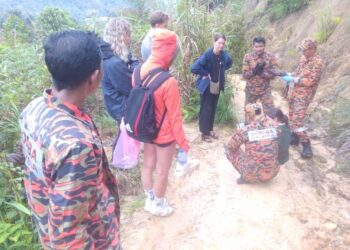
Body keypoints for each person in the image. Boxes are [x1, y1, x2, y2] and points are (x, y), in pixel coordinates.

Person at [19, 31, 121, 249]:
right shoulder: (76, 146)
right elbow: (69, 237)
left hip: (46, 226)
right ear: (94, 78)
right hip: (95, 240)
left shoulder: (34, 108)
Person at [135, 29, 189, 217]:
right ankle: (158, 203)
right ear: (170, 52)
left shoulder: (137, 71)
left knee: (148, 164)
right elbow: (175, 118)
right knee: (162, 171)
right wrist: (184, 144)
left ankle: (150, 198)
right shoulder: (169, 81)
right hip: (164, 134)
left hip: (145, 128)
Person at [285, 38, 324, 159]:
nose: (303, 52)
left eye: (305, 50)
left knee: (297, 120)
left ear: (313, 49)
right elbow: (298, 71)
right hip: (295, 92)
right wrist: (290, 75)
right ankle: (295, 137)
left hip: (305, 95)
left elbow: (311, 81)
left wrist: (297, 80)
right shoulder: (303, 58)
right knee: (291, 115)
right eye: (302, 49)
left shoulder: (318, 62)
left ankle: (307, 145)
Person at [224, 103, 281, 184]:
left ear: (248, 116)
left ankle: (245, 177)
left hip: (250, 174)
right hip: (272, 173)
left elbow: (230, 146)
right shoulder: (275, 126)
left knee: (228, 149)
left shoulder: (245, 130)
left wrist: (239, 133)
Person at [191, 33, 232, 142]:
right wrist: (205, 73)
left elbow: (229, 63)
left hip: (216, 86)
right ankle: (204, 134)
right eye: (219, 43)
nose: (221, 45)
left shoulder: (223, 55)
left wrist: (222, 69)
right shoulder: (208, 55)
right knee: (206, 109)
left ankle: (209, 130)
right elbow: (194, 68)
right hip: (207, 86)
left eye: (223, 43)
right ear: (214, 42)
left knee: (213, 108)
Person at [100, 17, 139, 124]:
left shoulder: (110, 53)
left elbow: (132, 60)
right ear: (121, 37)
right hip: (123, 109)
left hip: (117, 105)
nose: (129, 39)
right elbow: (132, 86)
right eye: (128, 35)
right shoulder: (113, 62)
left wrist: (133, 66)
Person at [242, 36, 285, 122]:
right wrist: (254, 71)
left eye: (261, 46)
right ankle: (248, 131)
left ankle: (270, 132)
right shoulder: (248, 57)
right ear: (253, 46)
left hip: (265, 91)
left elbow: (274, 74)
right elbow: (245, 75)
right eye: (256, 46)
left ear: (264, 46)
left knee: (271, 114)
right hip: (251, 91)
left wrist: (263, 74)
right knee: (250, 113)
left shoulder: (270, 57)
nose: (259, 49)